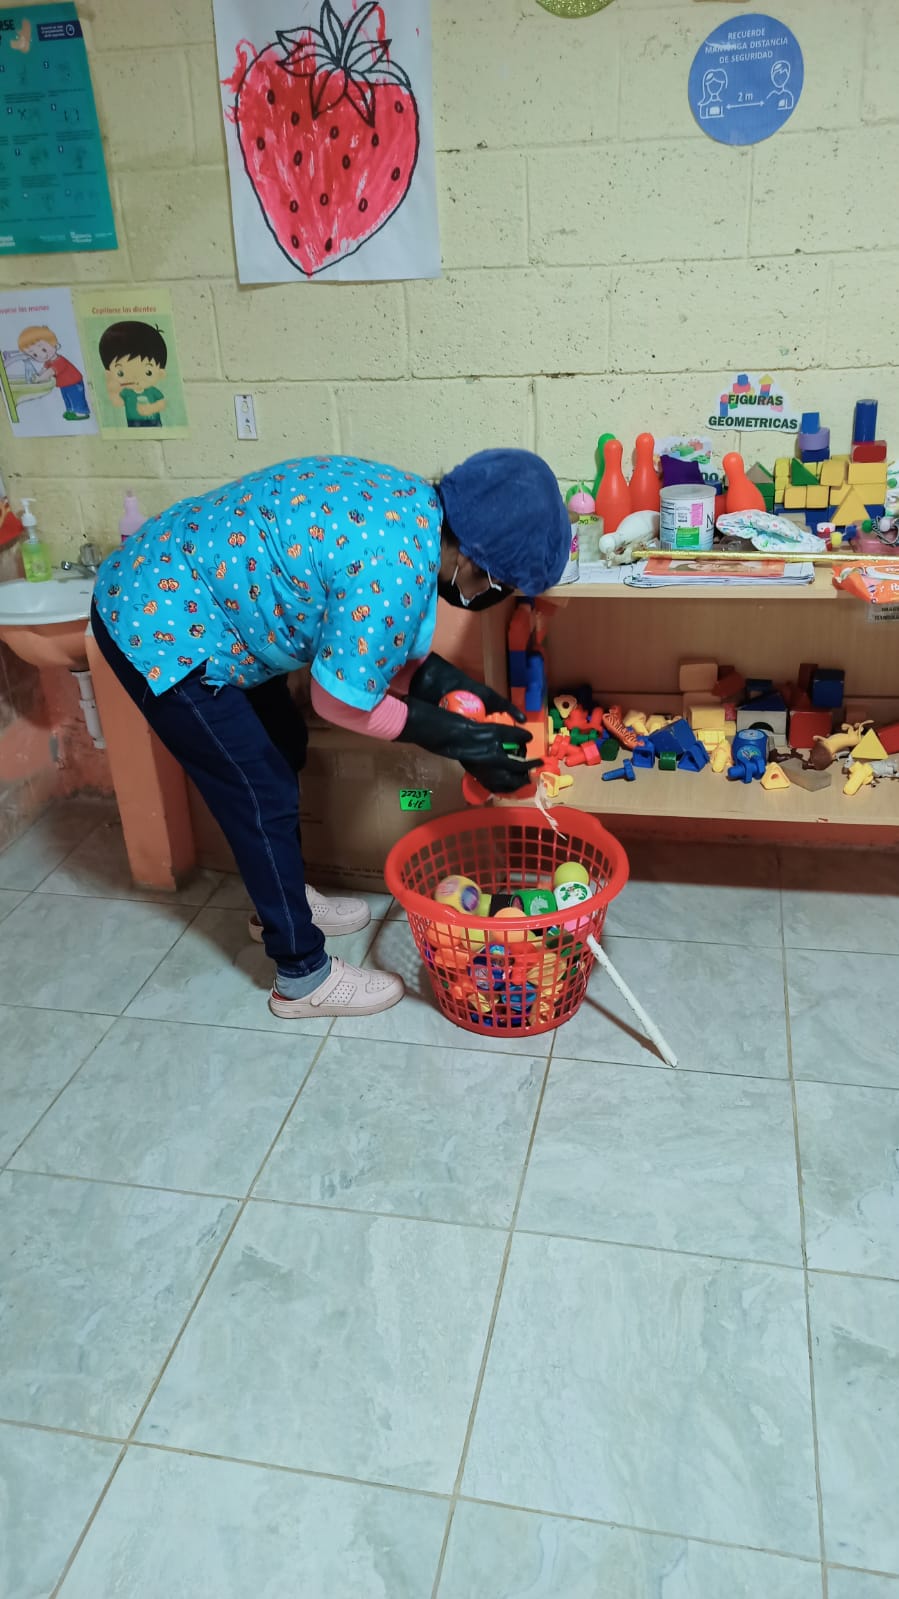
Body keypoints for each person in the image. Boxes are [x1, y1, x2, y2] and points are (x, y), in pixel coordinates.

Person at [91, 449, 569, 1022]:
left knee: (284, 744)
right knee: (260, 792)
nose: (497, 595)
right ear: (473, 559)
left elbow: (374, 647)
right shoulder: (394, 565)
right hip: (157, 625)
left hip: (201, 603)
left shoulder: (413, 511)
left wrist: (466, 698)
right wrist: (455, 739)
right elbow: (340, 701)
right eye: (503, 584)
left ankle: (282, 900)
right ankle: (301, 976)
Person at [98, 320, 167, 428]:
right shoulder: (126, 392)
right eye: (121, 373)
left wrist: (151, 409)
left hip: (154, 422)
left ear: (160, 374)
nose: (135, 378)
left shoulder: (152, 391)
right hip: (133, 424)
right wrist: (112, 390)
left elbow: (162, 403)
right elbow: (118, 403)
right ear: (110, 373)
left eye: (148, 372)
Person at [15, 324, 91, 420]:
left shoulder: (59, 361)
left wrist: (39, 379)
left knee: (76, 398)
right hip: (65, 384)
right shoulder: (49, 362)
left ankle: (81, 412)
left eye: (43, 349)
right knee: (67, 397)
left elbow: (50, 372)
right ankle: (71, 410)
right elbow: (44, 369)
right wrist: (38, 374)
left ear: (54, 343)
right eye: (34, 354)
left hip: (74, 383)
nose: (41, 355)